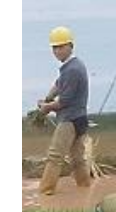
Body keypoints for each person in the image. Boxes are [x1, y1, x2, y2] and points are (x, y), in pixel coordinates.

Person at [37, 26, 91, 195]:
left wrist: (47, 107)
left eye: (61, 47)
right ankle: (85, 188)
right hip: (80, 118)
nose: (57, 51)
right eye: (55, 48)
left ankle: (45, 192)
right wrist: (48, 98)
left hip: (70, 120)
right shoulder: (71, 66)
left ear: (70, 46)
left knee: (54, 156)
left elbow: (65, 101)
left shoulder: (73, 69)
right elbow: (59, 84)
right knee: (77, 159)